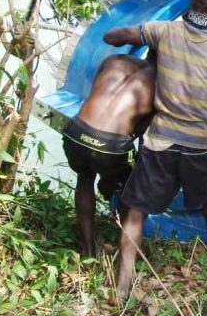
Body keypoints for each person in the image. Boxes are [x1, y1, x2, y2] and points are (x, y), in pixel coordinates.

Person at [103, 0, 207, 300]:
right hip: (201, 142)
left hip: (161, 140)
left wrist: (117, 37)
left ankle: (124, 280)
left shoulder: (164, 31)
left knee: (136, 208)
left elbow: (116, 37)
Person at [62, 54, 155, 259]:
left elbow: (95, 95)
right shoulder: (158, 83)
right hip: (111, 147)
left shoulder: (115, 59)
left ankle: (87, 250)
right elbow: (139, 131)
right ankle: (128, 252)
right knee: (132, 186)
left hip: (76, 133)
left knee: (84, 179)